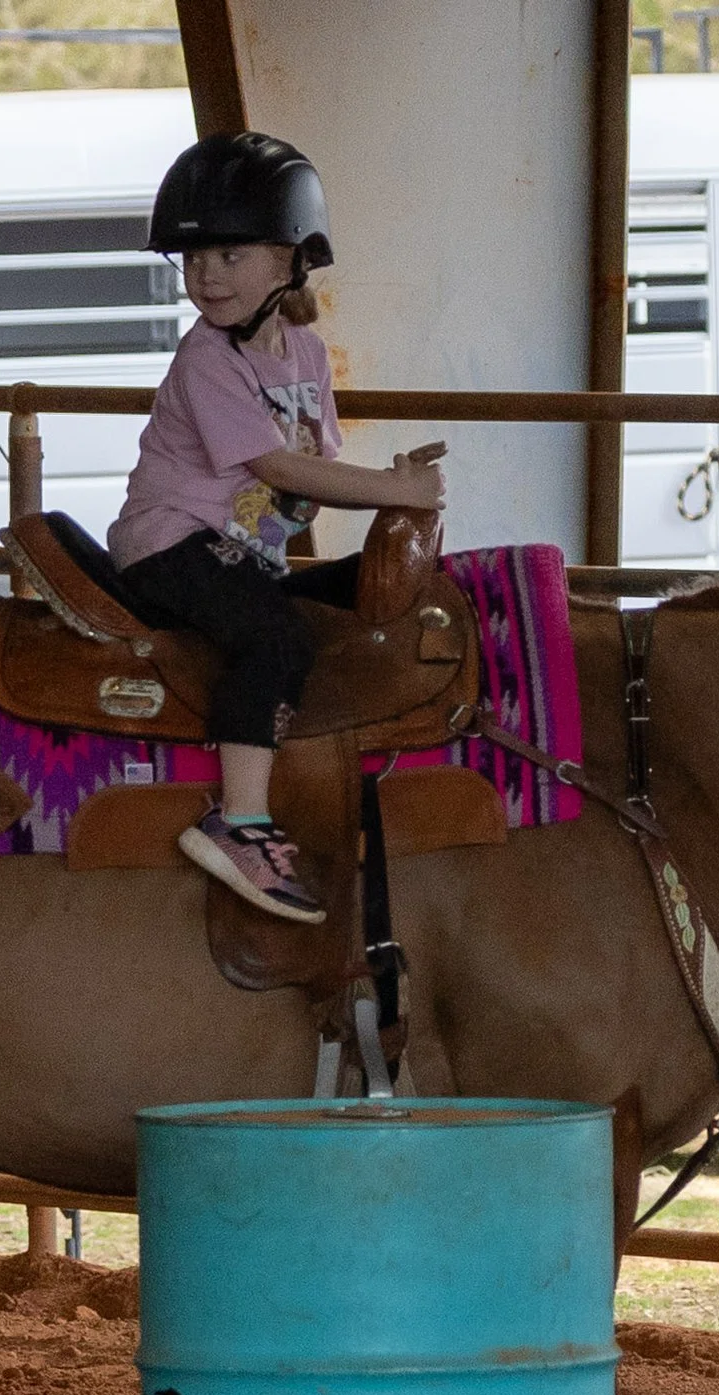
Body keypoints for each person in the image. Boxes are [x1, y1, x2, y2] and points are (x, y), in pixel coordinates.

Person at [107, 132, 446, 924]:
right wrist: (397, 489)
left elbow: (310, 469)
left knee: (354, 598)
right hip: (168, 544)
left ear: (292, 258)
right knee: (277, 641)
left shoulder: (307, 356)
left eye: (229, 256)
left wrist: (384, 492)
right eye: (192, 261)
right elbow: (280, 470)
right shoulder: (207, 360)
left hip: (236, 549)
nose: (206, 277)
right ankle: (240, 821)